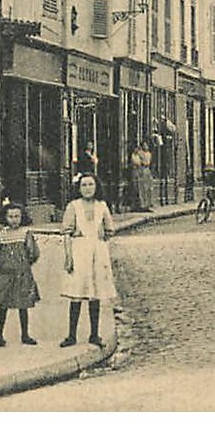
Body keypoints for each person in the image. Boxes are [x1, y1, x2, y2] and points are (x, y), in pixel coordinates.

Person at [59, 172, 116, 348]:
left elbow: (110, 229)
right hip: (79, 250)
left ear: (96, 186)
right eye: (84, 185)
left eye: (91, 185)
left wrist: (102, 235)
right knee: (77, 293)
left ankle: (94, 334)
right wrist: (68, 257)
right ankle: (71, 335)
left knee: (95, 293)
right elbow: (67, 233)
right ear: (78, 188)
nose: (87, 189)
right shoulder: (73, 207)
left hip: (97, 252)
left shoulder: (102, 206)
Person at [0, 200, 40, 347]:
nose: (14, 220)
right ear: (5, 218)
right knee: (3, 305)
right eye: (11, 216)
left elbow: (33, 252)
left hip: (22, 273)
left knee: (23, 304)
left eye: (17, 216)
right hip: (4, 274)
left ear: (22, 217)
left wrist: (25, 264)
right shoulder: (1, 235)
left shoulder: (26, 233)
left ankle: (25, 334)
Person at [129, 142, 154, 212]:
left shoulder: (149, 154)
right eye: (144, 146)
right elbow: (137, 163)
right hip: (139, 171)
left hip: (145, 170)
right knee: (140, 189)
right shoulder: (138, 154)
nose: (146, 147)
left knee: (147, 188)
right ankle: (141, 205)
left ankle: (147, 204)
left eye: (147, 145)